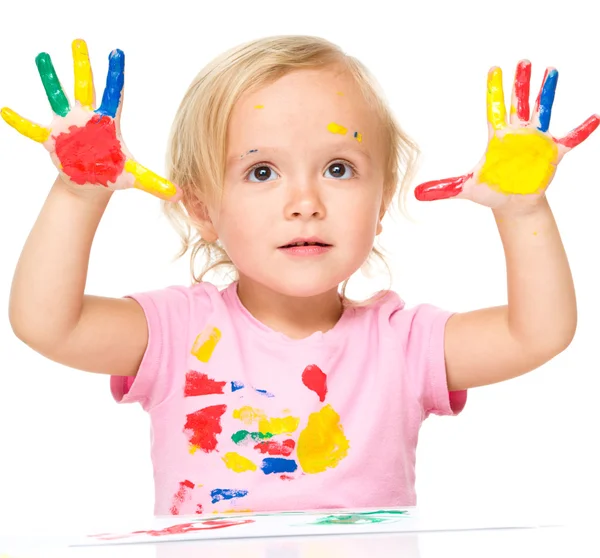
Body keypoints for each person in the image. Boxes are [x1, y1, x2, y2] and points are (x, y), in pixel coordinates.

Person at [4, 36, 597, 517]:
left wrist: (523, 211)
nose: (305, 201)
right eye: (262, 172)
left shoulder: (402, 344)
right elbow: (47, 323)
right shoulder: (176, 333)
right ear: (204, 209)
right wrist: (76, 195)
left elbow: (537, 334)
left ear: (381, 201)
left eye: (339, 168)